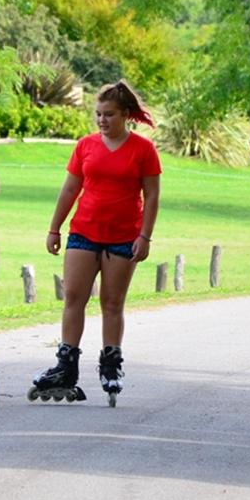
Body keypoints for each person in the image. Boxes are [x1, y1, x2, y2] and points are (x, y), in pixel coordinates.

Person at [32, 80, 161, 406]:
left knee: (112, 302)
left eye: (110, 114)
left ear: (126, 116)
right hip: (83, 232)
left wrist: (144, 236)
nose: (102, 120)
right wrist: (54, 228)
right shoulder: (86, 146)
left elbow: (152, 195)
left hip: (124, 237)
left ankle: (111, 364)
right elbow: (69, 190)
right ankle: (66, 366)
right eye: (98, 114)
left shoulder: (143, 150)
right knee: (73, 297)